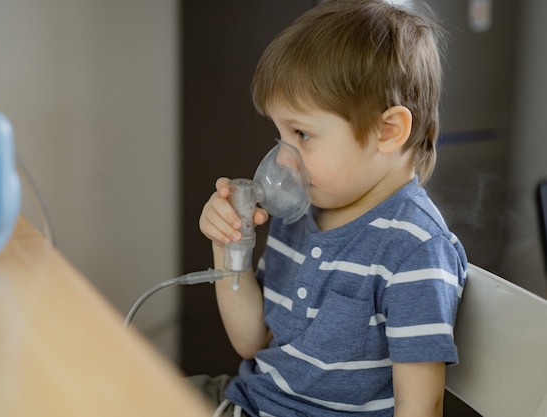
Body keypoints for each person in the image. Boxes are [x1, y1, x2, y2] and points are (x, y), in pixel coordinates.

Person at [191, 0, 467, 416]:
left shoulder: (414, 250)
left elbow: (421, 406)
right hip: (249, 400)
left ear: (387, 131)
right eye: (280, 134)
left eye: (301, 134)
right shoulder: (301, 212)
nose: (283, 160)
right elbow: (252, 341)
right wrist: (227, 244)